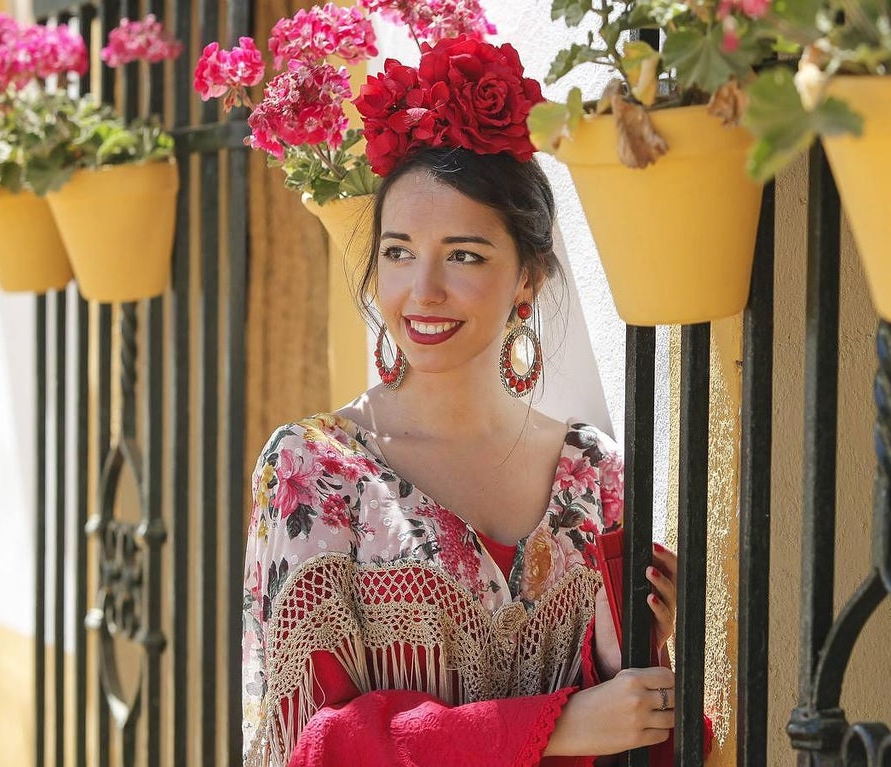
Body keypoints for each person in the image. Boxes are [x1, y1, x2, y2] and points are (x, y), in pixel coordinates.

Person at [241, 35, 708, 767]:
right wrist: (561, 722)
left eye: (463, 254)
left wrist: (635, 658)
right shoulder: (316, 473)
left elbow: (648, 737)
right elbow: (314, 748)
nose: (421, 291)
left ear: (527, 277)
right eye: (398, 252)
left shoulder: (593, 477)